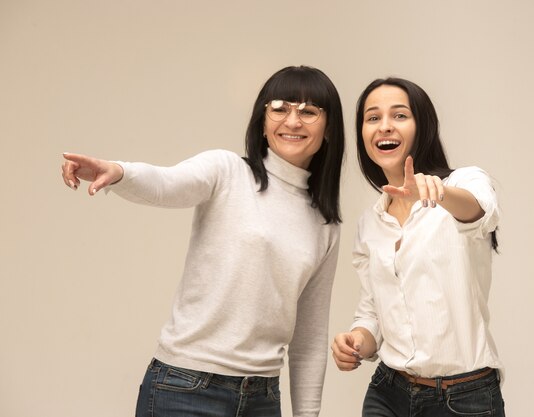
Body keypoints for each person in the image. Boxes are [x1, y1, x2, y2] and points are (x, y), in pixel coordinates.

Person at [61, 65, 345, 417]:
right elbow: (166, 184)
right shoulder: (227, 171)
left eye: (308, 112)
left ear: (328, 126)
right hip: (184, 387)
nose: (293, 121)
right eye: (280, 108)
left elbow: (309, 339)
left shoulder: (325, 223)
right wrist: (120, 172)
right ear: (262, 119)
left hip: (262, 398)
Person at [331, 78, 505, 417]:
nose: (384, 126)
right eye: (372, 118)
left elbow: (480, 212)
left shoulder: (463, 184)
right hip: (388, 393)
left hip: (463, 398)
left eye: (399, 115)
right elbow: (374, 311)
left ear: (421, 125)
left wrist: (435, 192)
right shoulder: (371, 222)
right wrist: (357, 341)